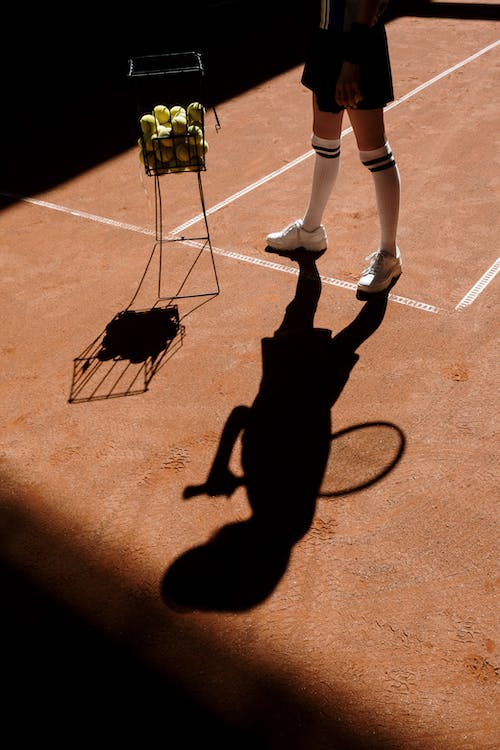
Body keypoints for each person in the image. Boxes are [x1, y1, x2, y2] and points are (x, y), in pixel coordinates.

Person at [266, 0, 402, 298]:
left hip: (357, 41)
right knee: (324, 142)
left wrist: (352, 61)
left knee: (373, 151)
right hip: (327, 37)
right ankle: (310, 231)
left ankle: (389, 254)